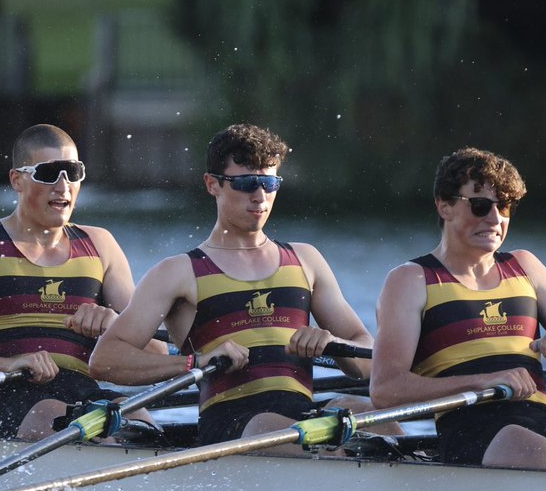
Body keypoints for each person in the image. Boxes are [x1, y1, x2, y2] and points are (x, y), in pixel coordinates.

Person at [89, 123, 398, 451]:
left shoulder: (306, 260)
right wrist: (194, 364)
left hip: (302, 417)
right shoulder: (177, 273)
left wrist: (333, 342)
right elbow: (106, 359)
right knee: (290, 431)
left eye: (269, 183)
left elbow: (367, 360)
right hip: (233, 422)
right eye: (247, 183)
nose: (260, 196)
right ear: (213, 185)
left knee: (381, 420)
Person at [369, 147, 546, 471]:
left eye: (505, 205)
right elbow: (385, 390)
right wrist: (482, 381)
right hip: (471, 424)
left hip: (541, 413)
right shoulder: (411, 280)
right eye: (481, 205)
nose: (495, 218)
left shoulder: (525, 266)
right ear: (444, 206)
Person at [0, 124, 165, 440]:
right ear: (17, 180)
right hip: (1, 394)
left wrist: (117, 325)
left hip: (83, 393)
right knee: (53, 415)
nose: (63, 186)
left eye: (72, 172)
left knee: (138, 418)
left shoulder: (100, 245)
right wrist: (8, 365)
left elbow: (157, 356)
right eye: (49, 173)